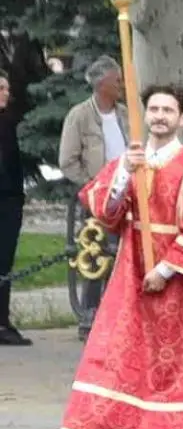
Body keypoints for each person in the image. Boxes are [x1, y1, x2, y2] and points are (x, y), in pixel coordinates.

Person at [51, 84, 183, 429]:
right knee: (117, 355)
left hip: (181, 280)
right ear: (144, 115)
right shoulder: (129, 161)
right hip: (131, 270)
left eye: (168, 110)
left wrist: (164, 269)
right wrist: (123, 177)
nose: (160, 116)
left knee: (178, 365)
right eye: (154, 109)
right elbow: (107, 212)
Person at [58, 55, 128, 339]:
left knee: (123, 255)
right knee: (95, 255)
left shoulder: (125, 113)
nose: (122, 85)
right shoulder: (80, 115)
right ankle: (89, 317)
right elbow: (67, 160)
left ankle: (119, 316)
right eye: (117, 80)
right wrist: (91, 187)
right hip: (98, 197)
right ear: (102, 85)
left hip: (126, 192)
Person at [0, 71, 29, 346]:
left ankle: (2, 321)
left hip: (8, 202)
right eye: (1, 88)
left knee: (4, 263)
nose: (6, 93)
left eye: (7, 88)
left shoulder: (7, 123)